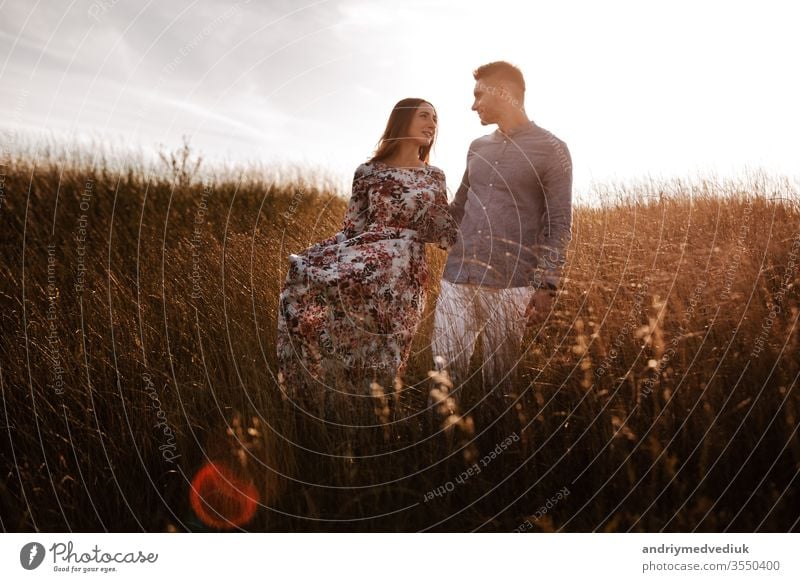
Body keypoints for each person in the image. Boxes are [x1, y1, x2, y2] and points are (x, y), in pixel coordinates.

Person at [277, 98, 458, 411]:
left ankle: (377, 416)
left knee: (392, 345)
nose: (432, 124)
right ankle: (330, 407)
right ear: (402, 122)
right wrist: (317, 257)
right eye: (424, 116)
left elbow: (444, 233)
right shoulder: (367, 172)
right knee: (354, 339)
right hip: (366, 271)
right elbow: (352, 229)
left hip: (406, 276)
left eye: (435, 119)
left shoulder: (434, 177)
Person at [432, 61, 573, 390]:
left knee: (500, 385)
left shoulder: (552, 150)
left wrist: (547, 286)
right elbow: (458, 208)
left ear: (505, 93)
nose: (473, 104)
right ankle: (439, 440)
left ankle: (493, 440)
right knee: (442, 381)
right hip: (457, 278)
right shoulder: (477, 147)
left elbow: (559, 223)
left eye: (479, 95)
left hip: (512, 284)